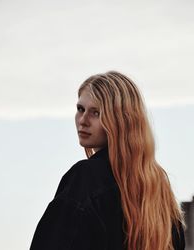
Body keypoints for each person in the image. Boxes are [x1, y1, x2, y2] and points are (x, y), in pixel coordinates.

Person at [30, 71, 185, 250]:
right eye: (80, 109)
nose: (83, 120)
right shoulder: (159, 190)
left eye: (96, 113)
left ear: (121, 120)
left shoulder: (86, 178)